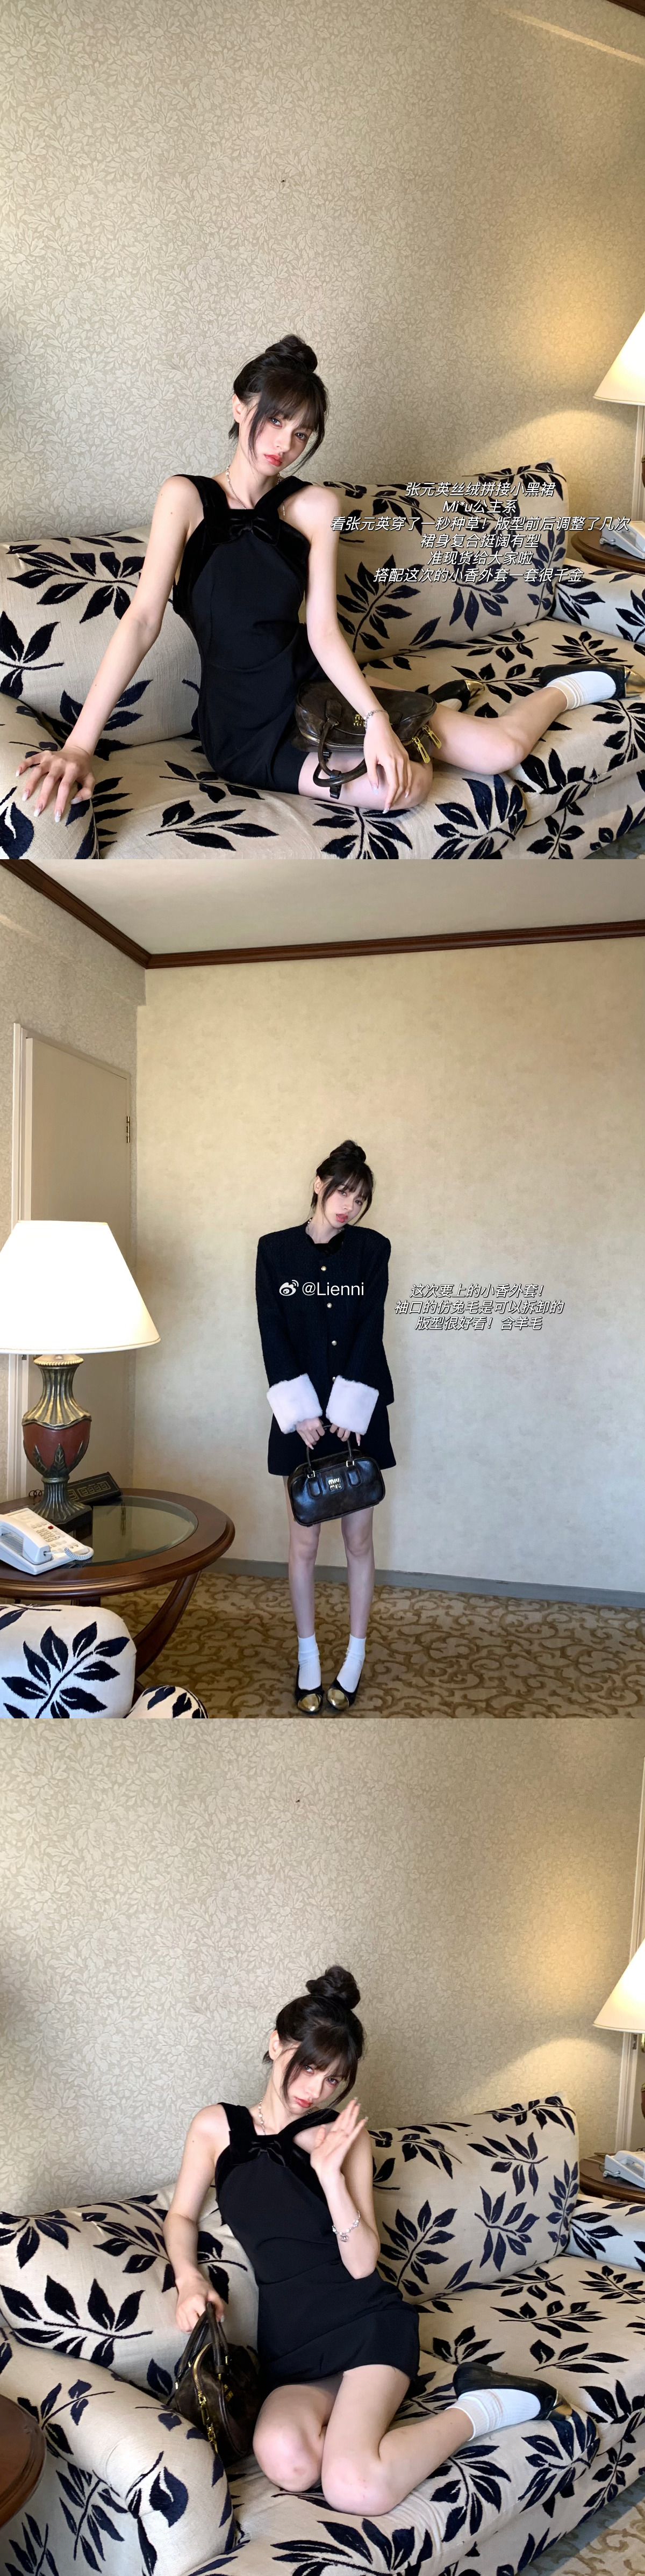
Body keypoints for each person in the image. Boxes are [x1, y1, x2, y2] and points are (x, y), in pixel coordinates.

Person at [16, 332, 629, 825]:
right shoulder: (185, 498)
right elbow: (142, 621)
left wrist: (377, 719)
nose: (284, 443)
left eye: (302, 433)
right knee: (404, 788)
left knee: (500, 752)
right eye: (275, 420)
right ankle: (428, 710)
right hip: (245, 728)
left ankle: (562, 689)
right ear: (240, 408)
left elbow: (324, 631)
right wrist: (80, 745)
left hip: (319, 691)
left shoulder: (315, 508)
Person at [163, 1963, 560, 2520]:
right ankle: (362, 2441)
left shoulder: (343, 2137)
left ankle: (482, 2406)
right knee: (288, 2461)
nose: (316, 2090)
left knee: (354, 2489)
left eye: (334, 2080)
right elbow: (182, 2216)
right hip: (292, 2344)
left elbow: (361, 2263)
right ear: (276, 2045)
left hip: (366, 2323)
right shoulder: (214, 2127)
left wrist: (330, 2177)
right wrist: (189, 2278)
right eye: (309, 2068)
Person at [255, 1140, 394, 1712]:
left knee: (358, 1541)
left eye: (359, 1200)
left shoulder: (373, 1250)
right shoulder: (274, 1251)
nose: (349, 1207)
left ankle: (355, 1655)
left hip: (357, 1420)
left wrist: (346, 1412)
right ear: (319, 1184)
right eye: (342, 1193)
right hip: (302, 1422)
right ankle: (308, 1656)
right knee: (304, 1542)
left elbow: (369, 1329)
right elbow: (272, 1330)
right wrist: (303, 1412)